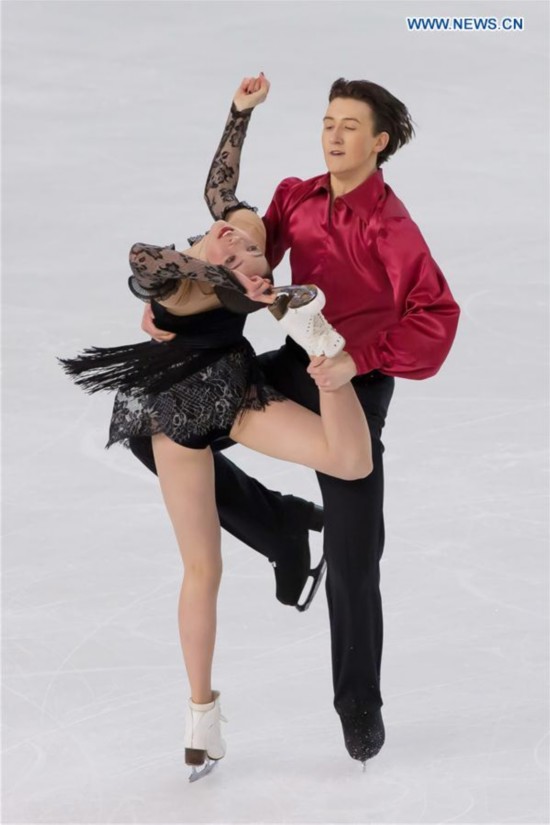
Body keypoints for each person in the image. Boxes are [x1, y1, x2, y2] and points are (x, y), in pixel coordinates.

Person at [59, 74, 374, 780]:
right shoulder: (201, 261)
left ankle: (286, 523)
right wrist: (238, 116)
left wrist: (271, 302)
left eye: (247, 252)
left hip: (232, 393)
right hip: (172, 413)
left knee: (346, 459)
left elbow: (192, 228)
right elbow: (148, 253)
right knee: (203, 567)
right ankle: (202, 715)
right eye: (231, 244)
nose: (238, 240)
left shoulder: (222, 259)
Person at [139, 75, 461, 765]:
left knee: (353, 553)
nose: (334, 134)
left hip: (356, 381)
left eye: (350, 125)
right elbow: (235, 248)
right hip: (289, 366)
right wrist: (173, 311)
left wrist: (356, 358)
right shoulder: (297, 197)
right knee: (161, 420)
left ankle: (358, 703)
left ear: (379, 141)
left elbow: (437, 318)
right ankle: (280, 527)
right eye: (327, 121)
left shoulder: (392, 227)